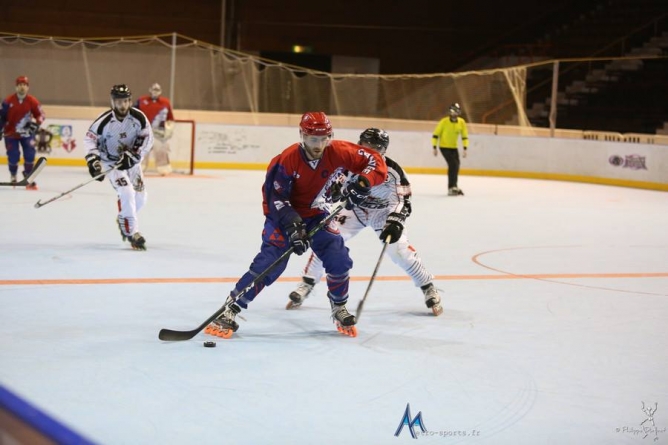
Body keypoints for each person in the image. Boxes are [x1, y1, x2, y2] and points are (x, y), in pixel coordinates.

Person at [204, 112, 388, 339]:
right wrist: (293, 227)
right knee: (271, 263)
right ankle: (232, 307)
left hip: (318, 213)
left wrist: (363, 182)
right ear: (302, 135)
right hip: (283, 217)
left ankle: (339, 306)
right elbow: (276, 199)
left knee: (337, 256)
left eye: (324, 138)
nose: (319, 145)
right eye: (313, 139)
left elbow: (374, 161)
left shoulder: (339, 150)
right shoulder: (287, 160)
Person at [287, 128, 443, 316]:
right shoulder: (347, 164)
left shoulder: (393, 171)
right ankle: (307, 282)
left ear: (384, 149)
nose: (370, 150)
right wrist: (337, 191)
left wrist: (395, 220)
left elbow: (401, 200)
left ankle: (427, 286)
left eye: (376, 147)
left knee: (399, 250)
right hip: (355, 210)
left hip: (383, 212)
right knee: (329, 241)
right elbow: (333, 186)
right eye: (366, 146)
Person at [83, 84, 154, 250]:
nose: (122, 105)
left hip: (133, 163)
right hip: (112, 163)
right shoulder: (103, 121)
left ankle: (124, 216)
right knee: (126, 192)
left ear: (129, 101)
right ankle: (132, 233)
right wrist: (94, 162)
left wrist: (134, 155)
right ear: (112, 102)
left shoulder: (139, 118)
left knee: (141, 197)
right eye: (118, 102)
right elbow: (89, 140)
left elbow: (147, 139)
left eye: (125, 101)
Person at [0, 76, 45, 190]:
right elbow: (1, 117)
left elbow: (41, 114)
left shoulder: (32, 101)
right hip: (11, 134)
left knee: (30, 155)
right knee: (13, 156)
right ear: (16, 87)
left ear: (28, 87)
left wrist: (38, 122)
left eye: (24, 85)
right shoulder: (7, 101)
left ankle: (28, 177)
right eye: (20, 85)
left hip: (27, 134)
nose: (22, 87)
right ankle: (13, 175)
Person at [134, 83, 175, 175]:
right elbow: (133, 114)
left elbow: (170, 118)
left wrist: (169, 130)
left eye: (157, 90)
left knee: (161, 150)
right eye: (154, 90)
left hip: (159, 133)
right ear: (150, 90)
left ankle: (163, 168)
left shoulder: (166, 102)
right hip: (143, 132)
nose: (155, 92)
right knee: (141, 150)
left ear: (160, 91)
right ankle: (139, 167)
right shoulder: (141, 100)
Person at [432, 102, 469, 196]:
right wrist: (434, 147)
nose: (453, 114)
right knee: (453, 164)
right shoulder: (444, 122)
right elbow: (436, 134)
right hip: (444, 147)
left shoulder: (461, 122)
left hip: (454, 147)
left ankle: (454, 186)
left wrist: (465, 148)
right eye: (452, 111)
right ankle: (451, 187)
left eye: (455, 111)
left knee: (456, 165)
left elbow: (464, 136)